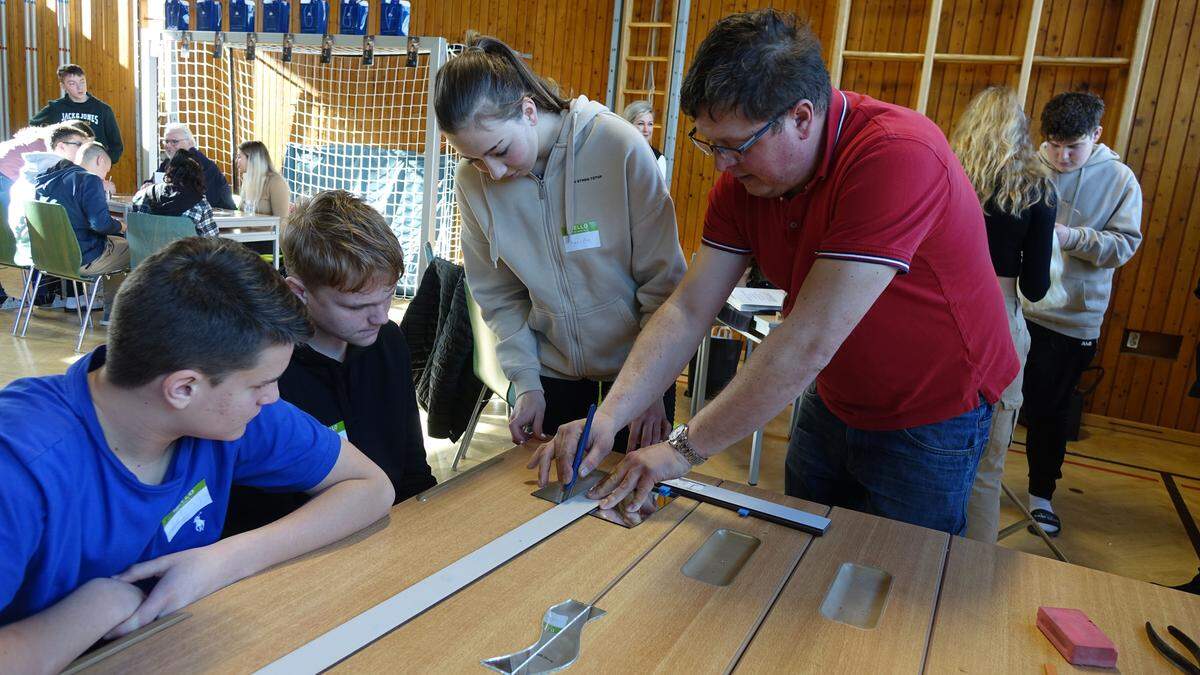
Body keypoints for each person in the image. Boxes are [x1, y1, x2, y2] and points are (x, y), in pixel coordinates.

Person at [534, 10, 1018, 536]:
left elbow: (808, 339)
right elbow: (689, 307)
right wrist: (611, 417)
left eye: (735, 146)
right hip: (833, 394)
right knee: (802, 549)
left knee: (898, 576)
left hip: (932, 410)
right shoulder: (744, 180)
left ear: (802, 117)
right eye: (709, 143)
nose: (720, 165)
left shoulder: (897, 156)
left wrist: (680, 450)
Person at [0, 237, 394, 672]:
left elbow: (371, 487)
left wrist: (219, 562)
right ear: (183, 388)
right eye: (261, 384)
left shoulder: (230, 416)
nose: (273, 396)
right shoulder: (19, 466)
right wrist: (98, 607)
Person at [433, 34, 687, 452]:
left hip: (638, 372)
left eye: (498, 150)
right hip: (552, 376)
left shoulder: (618, 146)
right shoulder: (471, 183)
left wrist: (653, 388)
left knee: (628, 503)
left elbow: (664, 285)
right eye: (474, 159)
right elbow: (498, 296)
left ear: (528, 111)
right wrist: (526, 383)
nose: (491, 172)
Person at [224, 190, 436, 536]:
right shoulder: (264, 375)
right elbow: (255, 512)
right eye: (356, 307)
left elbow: (413, 469)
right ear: (298, 291)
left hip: (389, 531)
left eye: (389, 295)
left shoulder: (389, 342)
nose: (380, 317)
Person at [1021, 91, 1143, 536]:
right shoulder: (1029, 167)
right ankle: (980, 479)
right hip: (1018, 307)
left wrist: (1072, 237)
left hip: (1072, 318)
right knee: (992, 401)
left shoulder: (1119, 179)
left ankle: (1040, 497)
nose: (1062, 156)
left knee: (1049, 412)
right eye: (1053, 145)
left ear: (1096, 134)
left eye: (1073, 146)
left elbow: (1125, 245)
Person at [950, 86, 1058, 542]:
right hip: (999, 316)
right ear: (1021, 129)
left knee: (925, 451)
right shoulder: (1037, 188)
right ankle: (971, 575)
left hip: (942, 312)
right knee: (987, 467)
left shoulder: (947, 172)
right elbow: (1035, 285)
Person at [0, 121, 92, 308]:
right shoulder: (51, 152)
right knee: (43, 231)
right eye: (82, 145)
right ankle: (46, 295)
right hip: (4, 179)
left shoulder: (41, 138)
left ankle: (45, 294)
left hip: (9, 180)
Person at [35, 141, 129, 309]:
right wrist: (121, 226)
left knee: (107, 240)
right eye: (106, 171)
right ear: (100, 160)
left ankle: (77, 299)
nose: (104, 177)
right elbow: (100, 224)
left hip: (50, 257)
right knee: (138, 249)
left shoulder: (47, 179)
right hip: (82, 258)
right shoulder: (90, 180)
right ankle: (115, 310)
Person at [30, 64, 124, 164]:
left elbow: (116, 145)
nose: (80, 87)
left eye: (82, 81)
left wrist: (105, 162)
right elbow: (33, 125)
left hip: (93, 165)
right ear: (63, 86)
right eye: (72, 83)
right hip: (65, 166)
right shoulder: (56, 108)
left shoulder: (102, 109)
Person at [147, 123, 236, 210]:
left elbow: (200, 198)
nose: (168, 146)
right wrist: (148, 185)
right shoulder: (168, 162)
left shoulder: (199, 164)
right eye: (166, 141)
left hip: (221, 217)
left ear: (190, 143)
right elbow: (153, 182)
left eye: (174, 141)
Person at [131, 148, 218, 237]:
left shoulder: (143, 195)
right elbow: (212, 240)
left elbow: (133, 227)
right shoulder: (200, 204)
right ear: (198, 176)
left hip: (145, 250)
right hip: (180, 250)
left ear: (169, 171)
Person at [235, 141, 291, 219]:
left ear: (252, 158)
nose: (236, 160)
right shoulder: (247, 180)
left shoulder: (276, 182)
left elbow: (282, 221)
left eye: (239, 157)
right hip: (246, 230)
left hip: (266, 231)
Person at [622, 101, 668, 178]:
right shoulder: (617, 151)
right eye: (641, 123)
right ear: (629, 125)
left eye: (650, 124)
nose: (646, 130)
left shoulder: (659, 159)